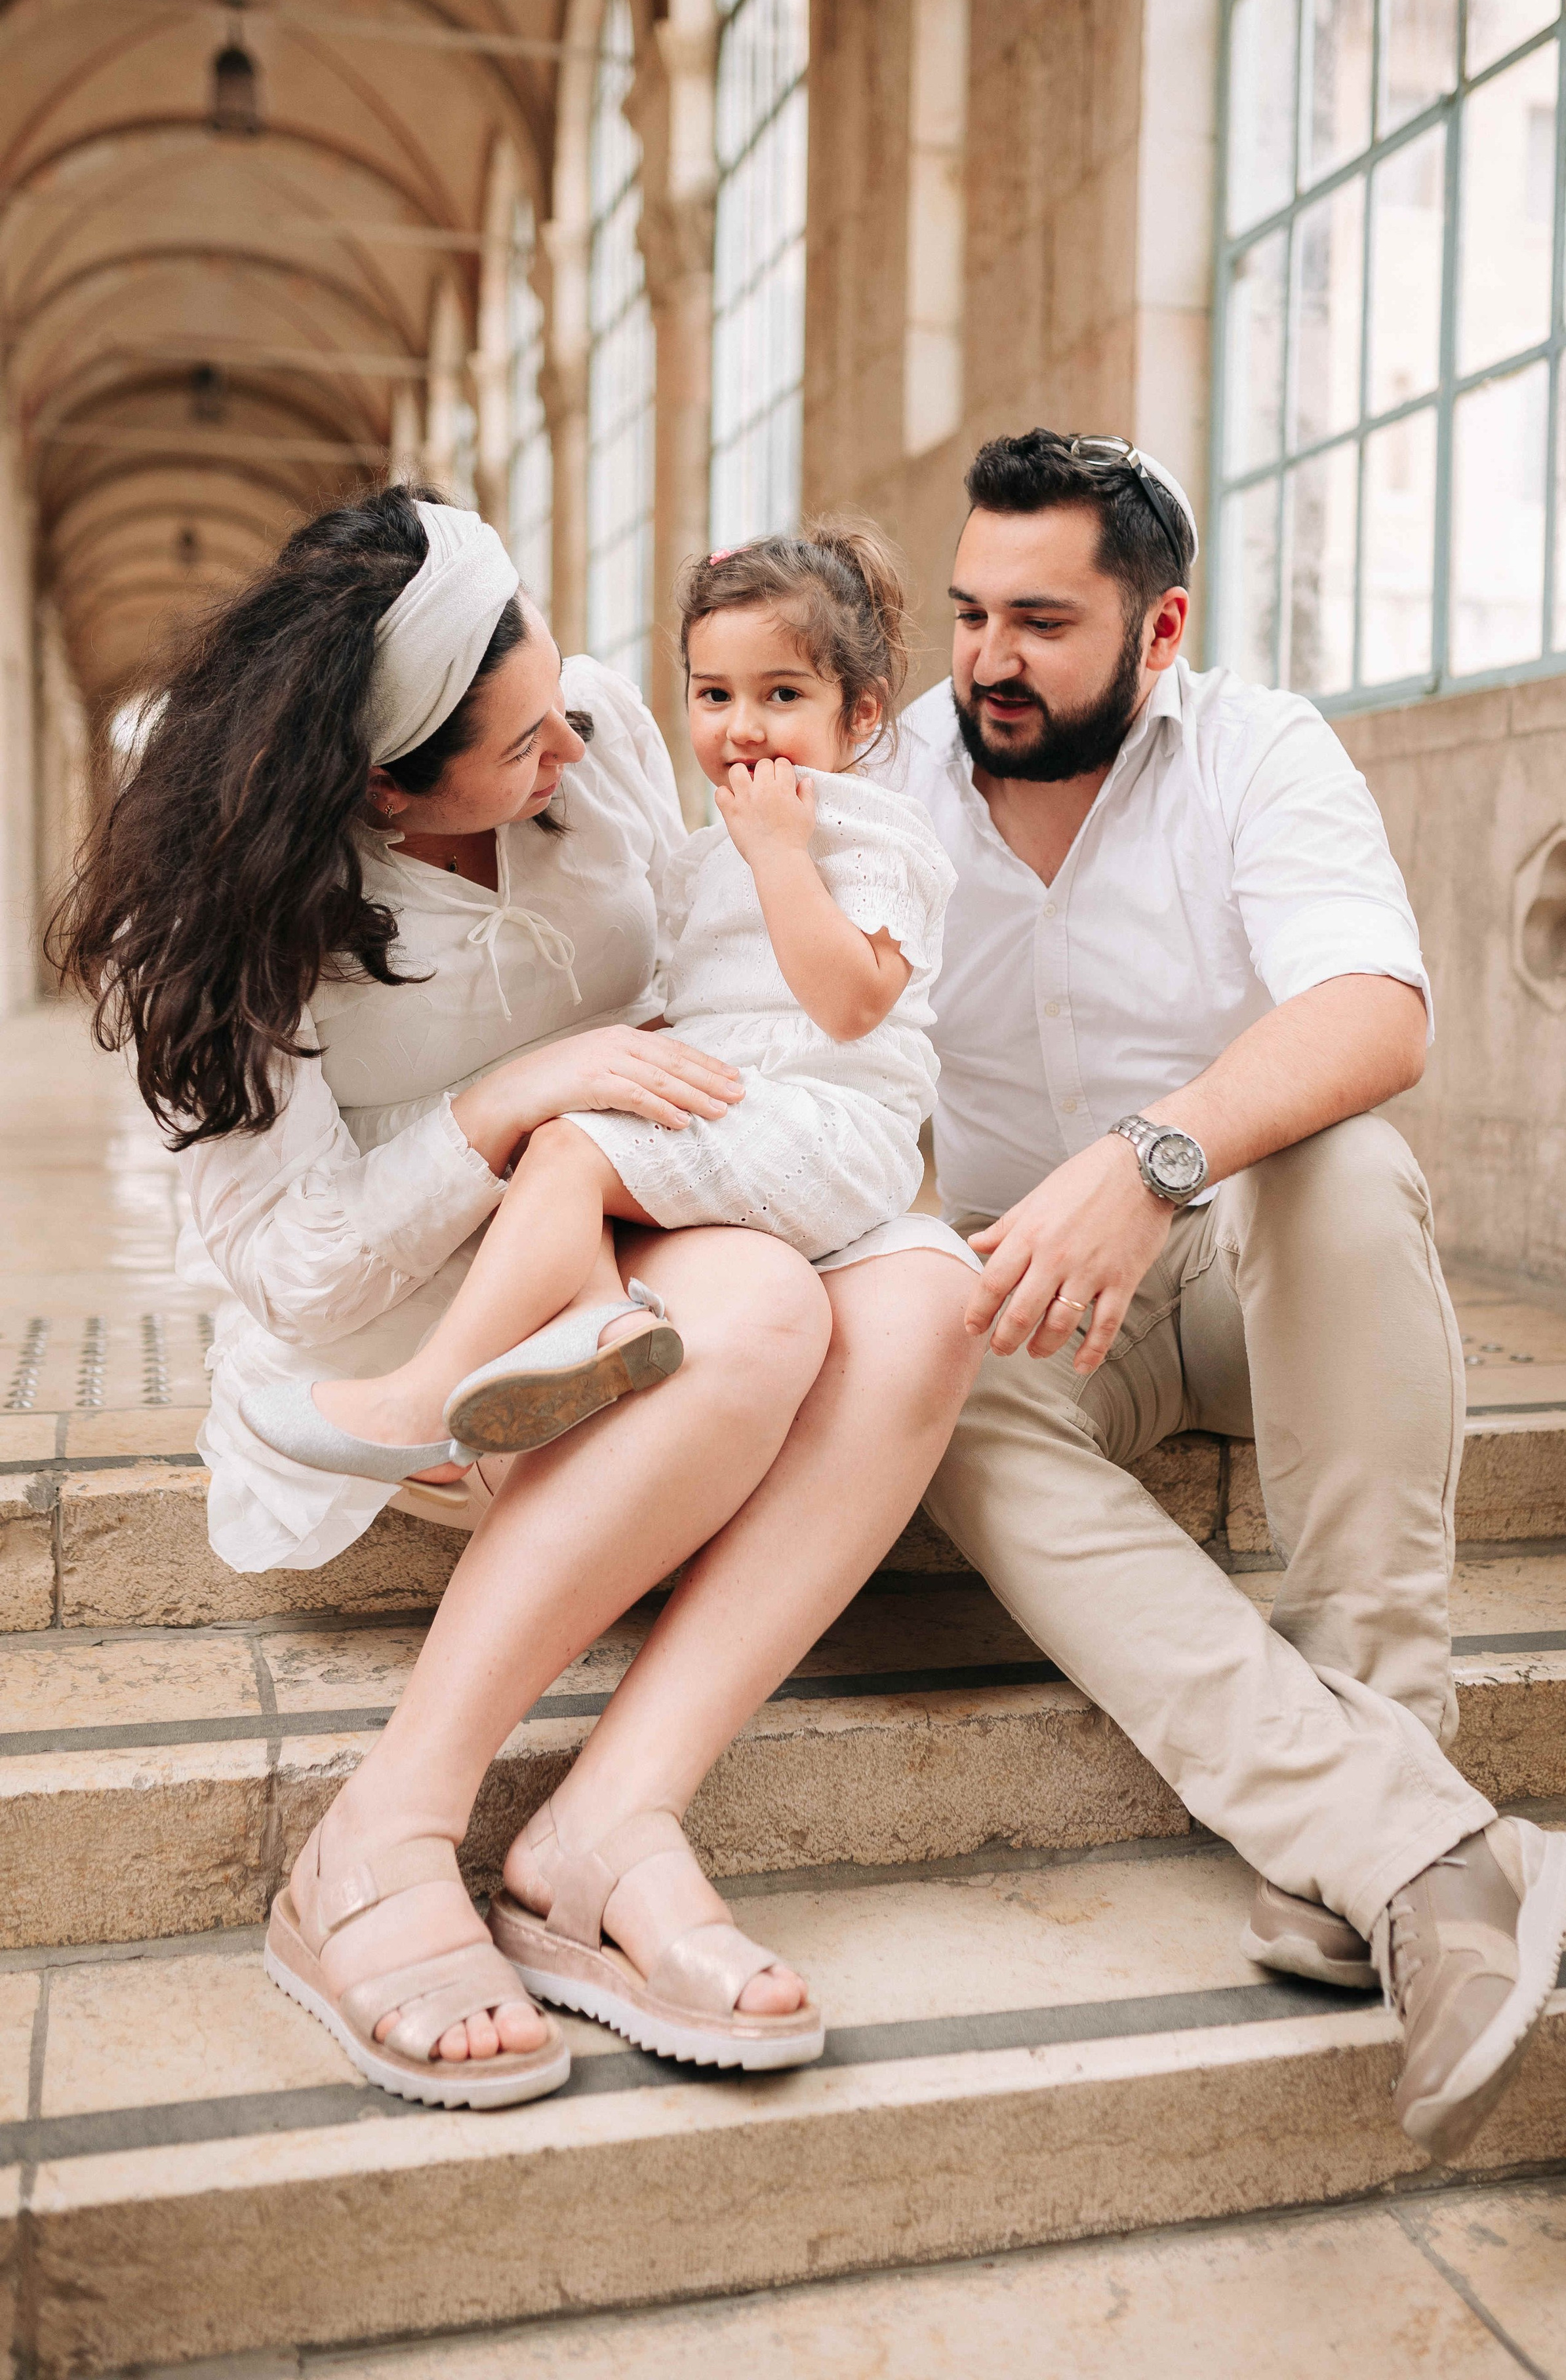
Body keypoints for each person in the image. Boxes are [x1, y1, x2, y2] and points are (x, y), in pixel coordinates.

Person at [50, 485, 980, 2105]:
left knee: (923, 1300)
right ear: (375, 788)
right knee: (759, 1309)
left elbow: (752, 961)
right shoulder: (223, 931)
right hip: (430, 1334)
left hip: (635, 1219)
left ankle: (600, 1834)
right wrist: (509, 1108)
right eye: (520, 751)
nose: (579, 754)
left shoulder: (598, 725)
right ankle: (377, 1834)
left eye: (564, 706)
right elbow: (293, 1261)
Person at [889, 427, 1566, 2166]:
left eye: (1044, 620)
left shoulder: (1261, 751)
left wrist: (1150, 1164)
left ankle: (1381, 1740)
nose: (990, 659)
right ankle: (1410, 1843)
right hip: (1040, 1317)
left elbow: (1375, 1010)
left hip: (1232, 1256)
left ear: (1164, 625)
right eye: (972, 613)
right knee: (921, 1351)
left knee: (1343, 1160)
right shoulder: (890, 783)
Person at [241, 528, 955, 1478]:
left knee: (572, 1144)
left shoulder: (868, 831)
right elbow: (703, 1001)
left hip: (831, 1128)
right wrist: (625, 1058)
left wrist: (782, 855)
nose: (742, 727)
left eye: (782, 694)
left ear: (860, 713)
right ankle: (590, 1318)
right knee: (561, 1127)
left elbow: (855, 1004)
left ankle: (427, 1406)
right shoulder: (714, 851)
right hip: (755, 1112)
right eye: (714, 695)